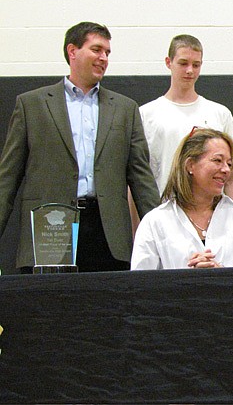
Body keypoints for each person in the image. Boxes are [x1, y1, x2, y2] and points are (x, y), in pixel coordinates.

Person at [0, 21, 160, 273]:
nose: (103, 57)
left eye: (107, 52)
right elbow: (7, 179)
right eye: (96, 49)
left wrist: (164, 234)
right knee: (50, 308)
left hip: (107, 233)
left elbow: (141, 178)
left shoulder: (125, 109)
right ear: (72, 51)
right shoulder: (31, 105)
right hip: (50, 229)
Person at [131, 128, 233, 270]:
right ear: (190, 164)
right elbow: (141, 284)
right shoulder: (155, 222)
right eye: (217, 160)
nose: (226, 169)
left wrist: (222, 276)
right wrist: (189, 279)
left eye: (229, 163)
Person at [139, 34, 233, 204]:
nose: (190, 70)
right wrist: (138, 229)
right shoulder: (146, 115)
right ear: (168, 62)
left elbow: (231, 178)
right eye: (183, 63)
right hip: (164, 212)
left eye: (196, 65)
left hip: (212, 217)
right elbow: (138, 180)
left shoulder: (220, 114)